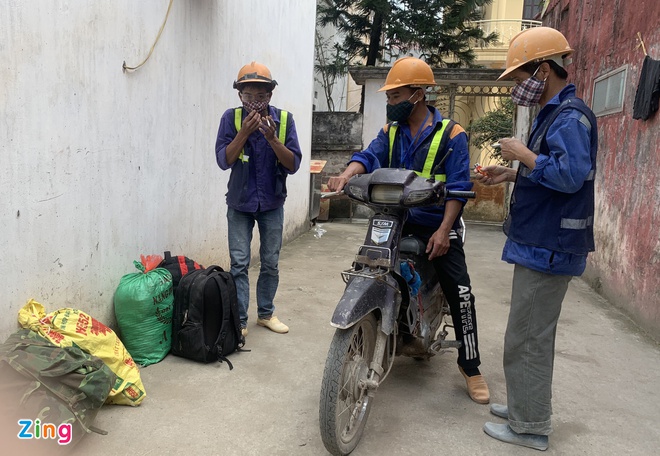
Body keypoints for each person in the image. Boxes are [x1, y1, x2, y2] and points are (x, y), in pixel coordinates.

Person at [327, 57, 490, 404]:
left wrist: (445, 230)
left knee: (461, 292)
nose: (390, 103)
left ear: (418, 94)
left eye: (394, 96)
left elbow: (460, 187)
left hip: (437, 222)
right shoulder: (391, 133)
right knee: (369, 267)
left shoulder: (452, 135)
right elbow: (369, 156)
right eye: (388, 97)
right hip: (396, 218)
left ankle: (471, 366)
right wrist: (346, 174)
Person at [476, 27, 598, 451]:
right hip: (539, 243)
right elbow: (550, 170)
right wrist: (511, 173)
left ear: (543, 70)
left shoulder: (570, 117)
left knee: (528, 338)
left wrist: (521, 154)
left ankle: (530, 427)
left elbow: (568, 176)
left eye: (519, 77)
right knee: (525, 334)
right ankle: (525, 404)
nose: (516, 86)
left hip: (550, 246)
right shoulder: (554, 112)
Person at [215, 62, 302, 337]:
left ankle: (266, 314)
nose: (254, 102)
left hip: (272, 203)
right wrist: (244, 133)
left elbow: (293, 164)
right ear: (240, 95)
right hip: (239, 204)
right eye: (248, 96)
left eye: (261, 96)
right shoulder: (231, 119)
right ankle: (240, 320)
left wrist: (273, 139)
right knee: (239, 263)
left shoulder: (285, 120)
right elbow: (223, 161)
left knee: (270, 262)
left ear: (270, 96)